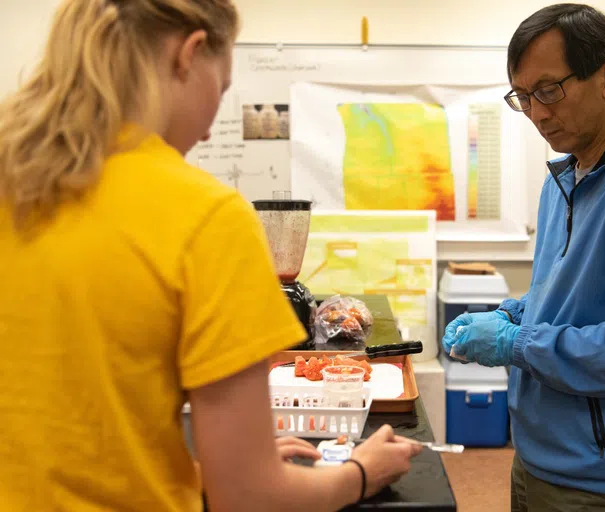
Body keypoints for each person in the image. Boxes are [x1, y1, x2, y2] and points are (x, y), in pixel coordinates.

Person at [0, 1, 421, 510]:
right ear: (189, 53)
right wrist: (360, 472)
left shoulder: (16, 182)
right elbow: (250, 498)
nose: (205, 132)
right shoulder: (204, 215)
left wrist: (205, 468)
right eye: (220, 90)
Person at [443, 4, 605, 511]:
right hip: (539, 451)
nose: (537, 113)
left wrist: (518, 344)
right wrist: (514, 313)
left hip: (598, 475)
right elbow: (570, 292)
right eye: (523, 97)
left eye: (548, 90)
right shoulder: (564, 176)